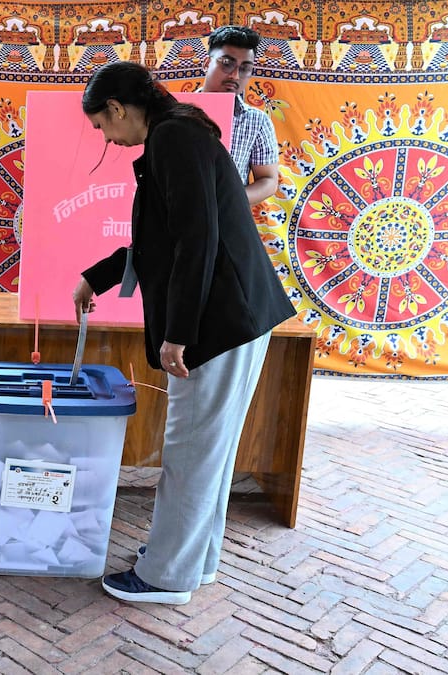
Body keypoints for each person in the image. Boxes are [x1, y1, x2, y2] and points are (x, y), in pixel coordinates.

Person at [72, 61, 295, 605]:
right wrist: (95, 276)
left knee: (192, 449)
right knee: (209, 450)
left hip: (216, 323)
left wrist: (178, 334)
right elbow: (162, 242)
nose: (104, 135)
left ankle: (166, 577)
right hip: (235, 317)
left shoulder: (174, 139)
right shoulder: (177, 137)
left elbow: (198, 241)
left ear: (119, 109)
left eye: (101, 124)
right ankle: (198, 561)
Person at [202, 25, 279, 205]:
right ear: (207, 64)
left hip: (228, 225)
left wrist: (227, 201)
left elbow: (268, 180)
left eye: (245, 68)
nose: (235, 76)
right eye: (227, 64)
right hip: (174, 221)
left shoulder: (257, 121)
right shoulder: (173, 112)